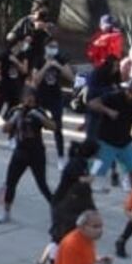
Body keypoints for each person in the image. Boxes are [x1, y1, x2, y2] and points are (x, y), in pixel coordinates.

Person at [0, 87, 55, 223]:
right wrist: (13, 119)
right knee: (10, 182)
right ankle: (6, 212)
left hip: (37, 153)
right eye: (27, 96)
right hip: (20, 151)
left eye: (32, 96)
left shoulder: (39, 111)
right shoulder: (16, 111)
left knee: (42, 184)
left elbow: (53, 127)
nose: (30, 99)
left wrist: (40, 117)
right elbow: (4, 129)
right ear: (23, 98)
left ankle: (56, 210)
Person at [34, 38, 75, 167]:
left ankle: (61, 157)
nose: (54, 48)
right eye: (51, 46)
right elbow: (35, 80)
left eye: (56, 46)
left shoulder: (60, 59)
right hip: (40, 96)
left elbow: (71, 77)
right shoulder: (39, 59)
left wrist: (58, 66)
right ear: (46, 47)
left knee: (57, 127)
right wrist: (46, 66)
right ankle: (36, 154)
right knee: (36, 124)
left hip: (55, 96)